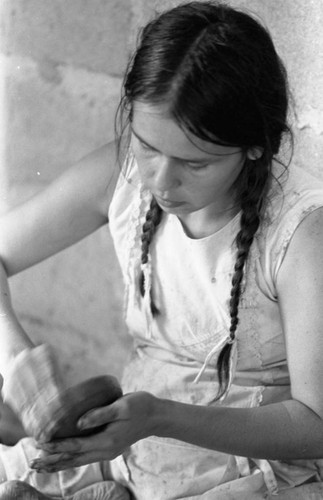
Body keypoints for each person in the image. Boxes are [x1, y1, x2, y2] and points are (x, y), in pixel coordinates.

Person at [1, 1, 323, 499]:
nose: (160, 180)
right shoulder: (124, 177)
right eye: (148, 146)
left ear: (255, 145)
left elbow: (315, 424)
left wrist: (160, 417)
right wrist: (19, 362)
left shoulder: (300, 235)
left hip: (249, 476)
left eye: (195, 164)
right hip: (131, 454)